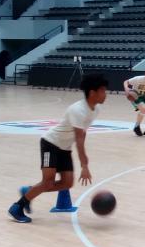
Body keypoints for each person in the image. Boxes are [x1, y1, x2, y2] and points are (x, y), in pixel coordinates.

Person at [8, 73, 108, 223]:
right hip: (50, 143)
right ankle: (17, 207)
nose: (105, 94)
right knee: (48, 181)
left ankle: (30, 191)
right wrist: (84, 165)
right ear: (92, 92)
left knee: (67, 183)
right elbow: (79, 139)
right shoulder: (77, 110)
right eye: (102, 90)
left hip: (64, 148)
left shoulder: (95, 109)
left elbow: (83, 133)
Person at [124, 66, 145, 137]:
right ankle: (136, 127)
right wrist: (126, 88)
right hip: (136, 95)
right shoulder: (138, 79)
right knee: (144, 108)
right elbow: (126, 82)